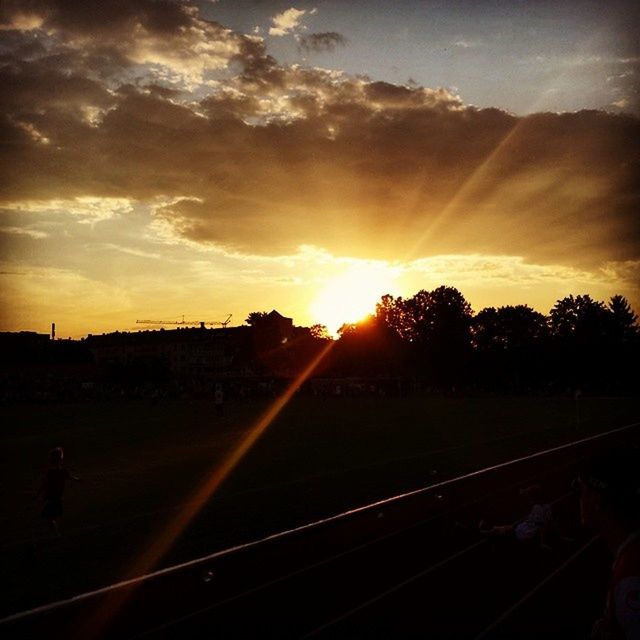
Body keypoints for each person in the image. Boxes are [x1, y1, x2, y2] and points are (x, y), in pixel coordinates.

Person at [577, 447, 640, 640]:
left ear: (597, 499)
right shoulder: (629, 551)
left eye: (583, 491)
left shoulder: (631, 578)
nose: (580, 500)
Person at [479, 484, 553, 548]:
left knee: (500, 530)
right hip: (525, 531)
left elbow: (539, 526)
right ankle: (487, 531)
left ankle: (483, 533)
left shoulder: (537, 508)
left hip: (524, 534)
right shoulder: (546, 507)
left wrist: (541, 542)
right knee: (505, 528)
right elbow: (544, 524)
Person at [38, 447, 80, 537]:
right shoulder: (62, 471)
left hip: (52, 499)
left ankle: (56, 534)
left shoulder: (50, 472)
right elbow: (72, 478)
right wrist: (79, 480)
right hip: (56, 498)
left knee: (47, 517)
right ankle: (55, 533)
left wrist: (38, 494)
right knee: (48, 517)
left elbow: (44, 484)